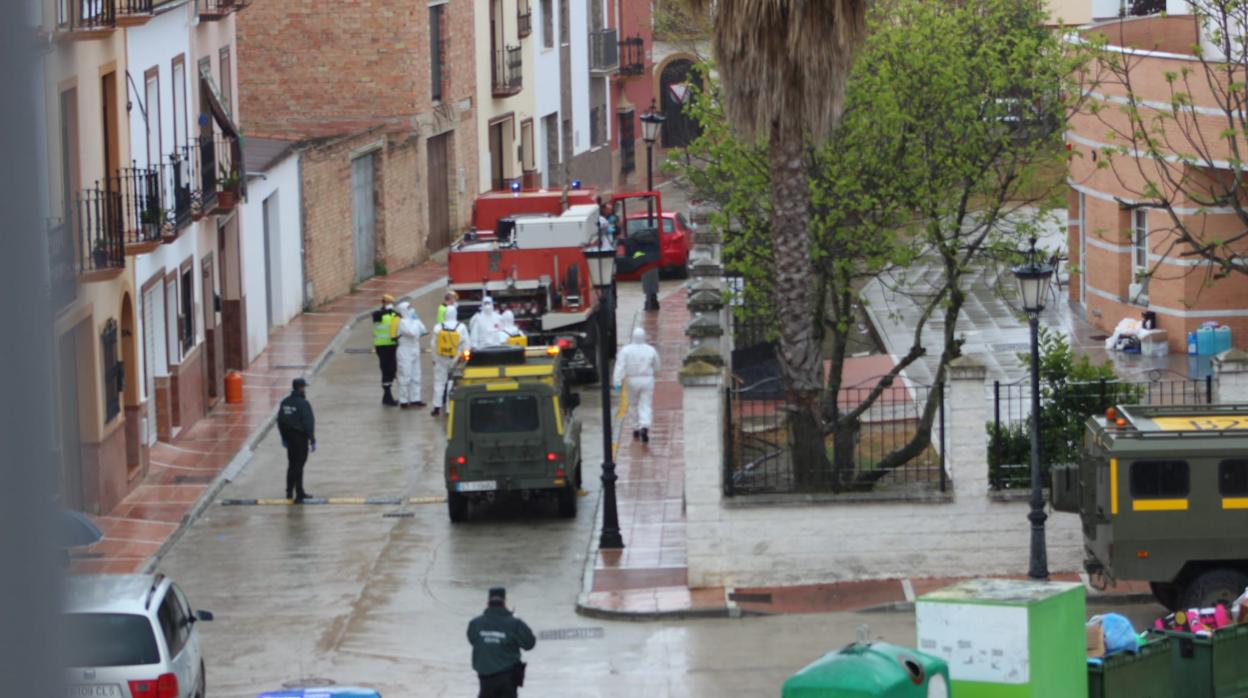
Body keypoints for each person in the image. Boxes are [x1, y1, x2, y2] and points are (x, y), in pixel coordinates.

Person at [467, 587, 535, 698]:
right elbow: (529, 644)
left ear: (488, 603)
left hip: (485, 679)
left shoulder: (475, 623)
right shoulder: (515, 623)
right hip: (508, 677)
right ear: (504, 602)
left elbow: (472, 640)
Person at [613, 327, 660, 443]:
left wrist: (617, 382)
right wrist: (652, 372)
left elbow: (620, 366)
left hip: (632, 380)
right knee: (645, 404)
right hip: (647, 380)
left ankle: (636, 427)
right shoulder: (650, 350)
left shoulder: (626, 350)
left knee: (633, 404)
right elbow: (657, 366)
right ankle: (644, 425)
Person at [277, 378, 316, 503]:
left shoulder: (285, 402)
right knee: (299, 465)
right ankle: (298, 492)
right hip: (300, 438)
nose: (305, 390)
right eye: (304, 387)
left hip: (289, 438)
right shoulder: (303, 404)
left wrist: (283, 437)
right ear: (300, 388)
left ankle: (291, 491)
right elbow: (308, 422)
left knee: (292, 464)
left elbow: (280, 421)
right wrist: (312, 439)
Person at [431, 305, 470, 417]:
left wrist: (434, 359)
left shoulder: (438, 327)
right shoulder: (461, 327)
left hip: (440, 358)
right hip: (456, 358)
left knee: (439, 382)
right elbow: (467, 344)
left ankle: (437, 407)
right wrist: (465, 359)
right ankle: (449, 408)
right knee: (452, 382)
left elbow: (433, 345)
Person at [395, 301, 427, 409]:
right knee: (405, 375)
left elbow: (423, 330)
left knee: (416, 375)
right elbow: (412, 332)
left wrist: (416, 320)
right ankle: (403, 400)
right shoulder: (402, 322)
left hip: (414, 349)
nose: (411, 309)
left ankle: (415, 399)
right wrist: (415, 322)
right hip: (405, 350)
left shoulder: (414, 320)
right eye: (409, 308)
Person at [373, 294, 401, 406]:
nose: (388, 305)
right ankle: (387, 395)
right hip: (382, 346)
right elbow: (376, 317)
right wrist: (387, 311)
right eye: (386, 303)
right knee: (386, 370)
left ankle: (387, 395)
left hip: (392, 346)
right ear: (383, 303)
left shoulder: (395, 314)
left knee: (392, 370)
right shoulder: (378, 314)